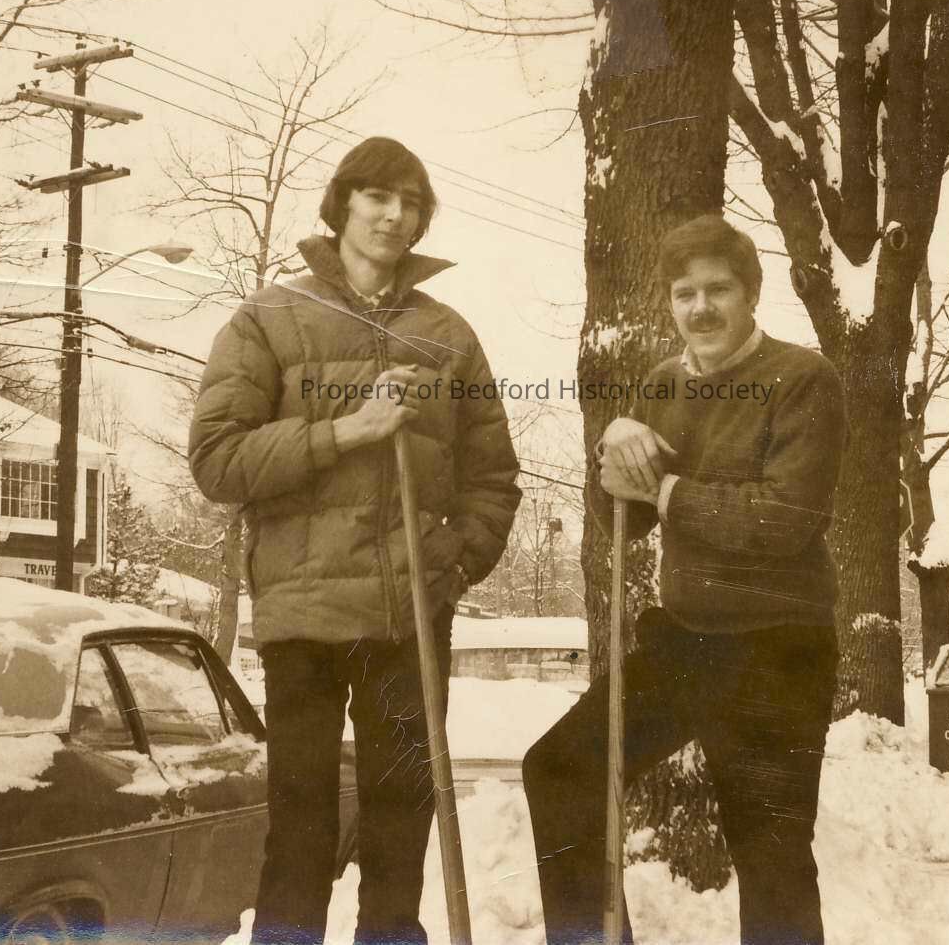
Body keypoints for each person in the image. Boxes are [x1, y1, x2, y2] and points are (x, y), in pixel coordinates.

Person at [189, 136, 521, 945]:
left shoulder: (448, 334)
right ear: (341, 205)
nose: (395, 215)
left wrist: (455, 562)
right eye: (378, 196)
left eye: (411, 202)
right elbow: (217, 459)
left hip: (409, 617)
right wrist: (346, 430)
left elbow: (494, 475)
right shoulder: (269, 318)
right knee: (300, 834)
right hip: (303, 618)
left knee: (400, 837)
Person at [524, 214, 846, 945]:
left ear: (751, 293)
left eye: (718, 289)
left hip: (778, 648)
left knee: (769, 850)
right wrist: (613, 445)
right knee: (561, 770)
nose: (700, 308)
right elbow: (625, 517)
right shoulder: (664, 384)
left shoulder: (803, 379)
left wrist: (665, 487)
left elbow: (784, 519)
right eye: (684, 293)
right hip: (686, 642)